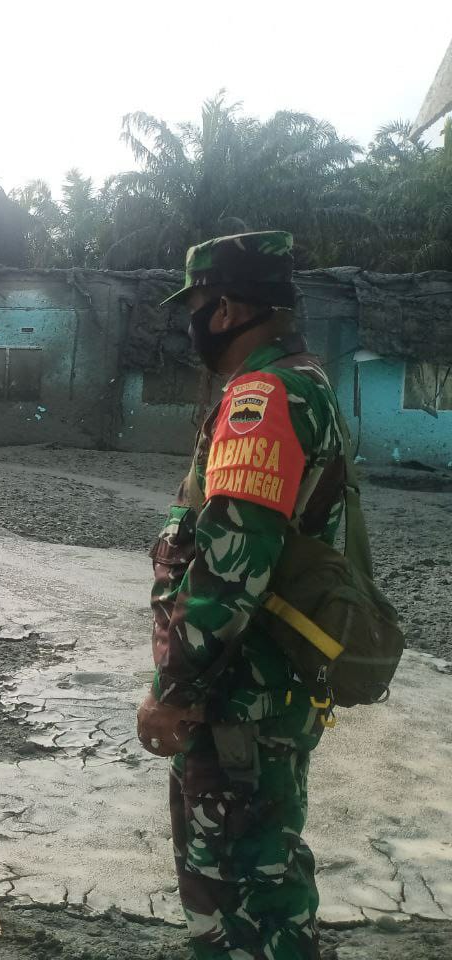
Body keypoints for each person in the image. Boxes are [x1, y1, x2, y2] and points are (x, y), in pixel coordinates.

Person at [137, 231, 347, 959]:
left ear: (224, 309)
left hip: (237, 699)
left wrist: (172, 688)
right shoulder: (302, 381)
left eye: (196, 304)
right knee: (268, 874)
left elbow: (231, 569)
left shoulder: (263, 397)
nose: (190, 320)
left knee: (236, 892)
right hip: (267, 692)